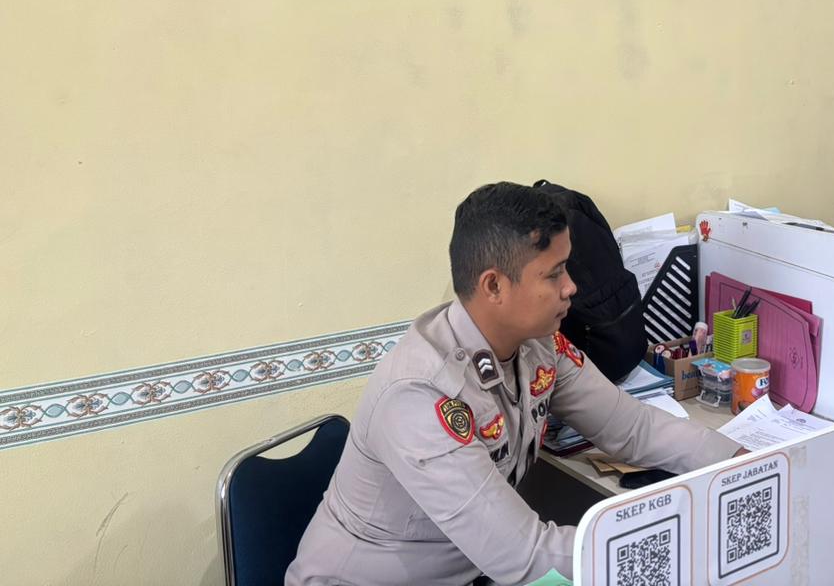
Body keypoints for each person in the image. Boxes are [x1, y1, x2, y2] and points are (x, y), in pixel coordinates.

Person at [287, 183, 742, 586]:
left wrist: (745, 465)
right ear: (493, 286)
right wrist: (676, 542)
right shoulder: (419, 395)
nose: (571, 287)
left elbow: (633, 428)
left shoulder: (538, 344)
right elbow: (526, 558)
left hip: (472, 570)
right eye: (554, 273)